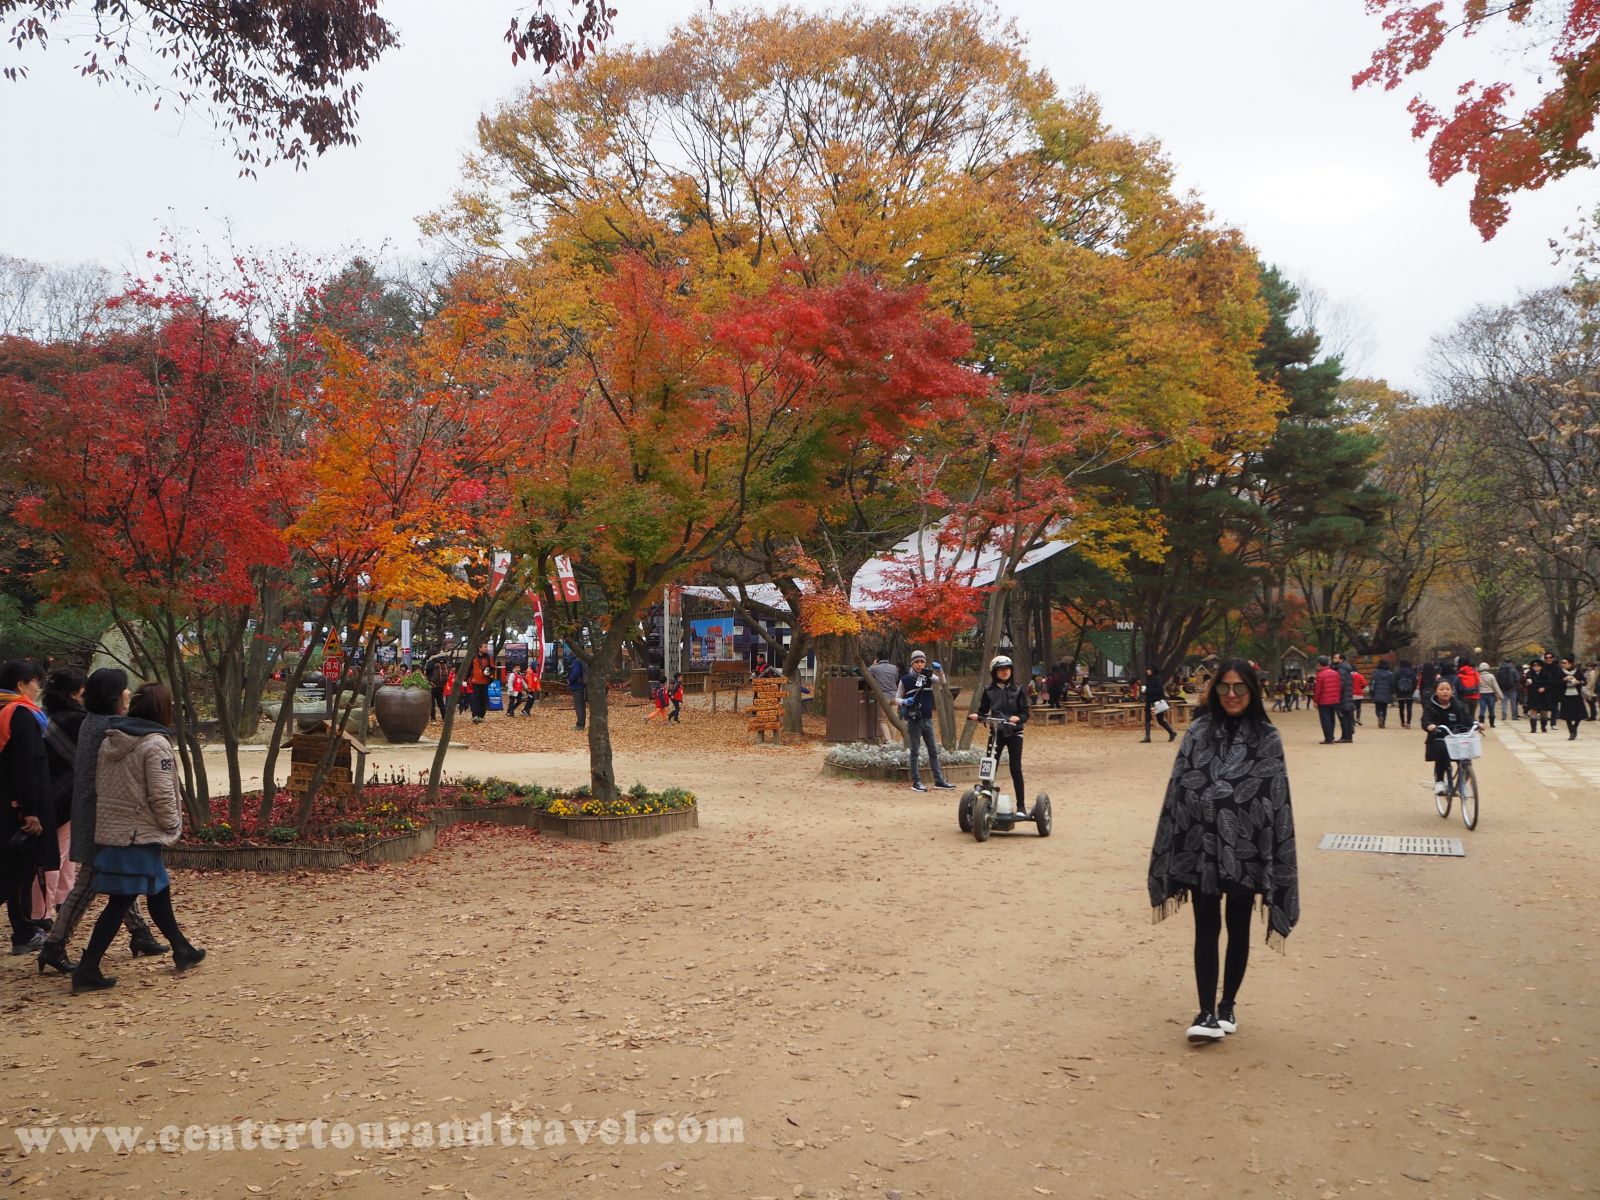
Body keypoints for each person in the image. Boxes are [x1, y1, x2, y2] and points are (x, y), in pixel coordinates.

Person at [1147, 659, 1300, 1044]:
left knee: (1238, 924)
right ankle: (1205, 1012)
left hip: (1247, 849)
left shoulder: (1268, 738)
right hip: (1202, 846)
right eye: (1224, 687)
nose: (1232, 695)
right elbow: (1179, 788)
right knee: (1205, 925)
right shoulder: (1198, 732)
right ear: (1215, 690)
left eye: (1240, 688)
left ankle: (1228, 1004)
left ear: (1252, 691)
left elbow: (1276, 800)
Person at [71, 683, 204, 993]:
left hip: (118, 832)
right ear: (162, 709)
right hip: (138, 835)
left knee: (158, 888)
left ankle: (181, 947)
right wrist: (172, 826)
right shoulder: (155, 743)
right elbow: (162, 794)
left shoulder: (113, 738)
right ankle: (87, 969)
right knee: (120, 901)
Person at [36, 668, 164, 976]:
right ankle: (54, 945)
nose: (128, 693)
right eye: (124, 689)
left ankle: (140, 933)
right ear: (112, 695)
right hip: (101, 815)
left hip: (93, 811)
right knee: (90, 882)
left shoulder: (90, 721)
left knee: (116, 876)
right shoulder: (107, 727)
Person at [1, 659, 57, 955]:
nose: (38, 687)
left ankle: (25, 930)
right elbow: (26, 766)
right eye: (36, 682)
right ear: (21, 684)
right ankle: (23, 932)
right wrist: (30, 809)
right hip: (17, 809)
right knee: (17, 872)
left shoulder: (4, 710)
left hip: (6, 803)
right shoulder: (20, 714)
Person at [35, 667, 88, 929]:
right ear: (75, 693)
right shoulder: (81, 721)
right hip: (70, 796)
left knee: (60, 853)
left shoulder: (42, 717)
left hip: (47, 793)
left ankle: (55, 904)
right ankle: (43, 911)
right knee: (59, 855)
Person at [968, 654, 1029, 803]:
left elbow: (1025, 712)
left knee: (1015, 768)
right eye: (1001, 669)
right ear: (994, 672)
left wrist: (1018, 718)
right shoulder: (988, 690)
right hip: (997, 733)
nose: (1005, 672)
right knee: (990, 765)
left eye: (1007, 669)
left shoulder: (1018, 689)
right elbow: (983, 711)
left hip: (1015, 732)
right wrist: (978, 716)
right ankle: (985, 798)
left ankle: (1021, 806)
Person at [900, 651, 954, 793]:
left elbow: (942, 682)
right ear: (912, 663)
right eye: (916, 662)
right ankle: (916, 781)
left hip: (927, 719)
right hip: (914, 720)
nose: (919, 664)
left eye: (922, 662)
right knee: (915, 751)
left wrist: (940, 671)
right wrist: (905, 701)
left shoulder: (928, 676)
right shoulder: (905, 680)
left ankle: (939, 780)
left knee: (933, 751)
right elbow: (896, 698)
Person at [1422, 680, 1475, 798]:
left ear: (1452, 691)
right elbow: (1425, 720)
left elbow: (1468, 718)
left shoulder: (1459, 705)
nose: (1445, 692)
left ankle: (1462, 784)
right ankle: (1440, 781)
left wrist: (1476, 724)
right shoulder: (1430, 706)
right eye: (1441, 689)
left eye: (1447, 689)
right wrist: (1429, 726)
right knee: (1441, 749)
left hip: (1456, 738)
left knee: (1466, 758)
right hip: (1438, 738)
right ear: (1436, 692)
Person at [866, 653, 902, 745]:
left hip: (883, 697)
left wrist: (873, 664)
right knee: (893, 719)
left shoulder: (875, 668)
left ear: (878, 659)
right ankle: (893, 741)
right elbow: (896, 679)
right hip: (894, 696)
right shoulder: (894, 668)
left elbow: (866, 673)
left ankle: (888, 741)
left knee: (882, 720)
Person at [1141, 666, 1176, 743]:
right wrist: (1144, 692)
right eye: (1147, 669)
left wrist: (1148, 691)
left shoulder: (1157, 679)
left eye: (1149, 670)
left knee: (1160, 720)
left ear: (1153, 671)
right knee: (1147, 719)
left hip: (1157, 702)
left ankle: (1172, 732)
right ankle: (1147, 737)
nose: (1148, 671)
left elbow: (1160, 691)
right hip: (1149, 701)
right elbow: (1147, 690)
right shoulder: (1147, 679)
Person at [1556, 656, 1588, 739]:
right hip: (1566, 696)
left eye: (1565, 663)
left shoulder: (1578, 671)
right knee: (1567, 715)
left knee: (1579, 715)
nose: (1562, 664)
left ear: (1570, 664)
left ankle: (1575, 727)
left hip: (1576, 696)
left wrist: (1578, 682)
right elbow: (1556, 683)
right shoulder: (1560, 672)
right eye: (1562, 663)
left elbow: (1584, 681)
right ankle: (1571, 732)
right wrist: (1564, 679)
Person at [1312, 655, 1341, 744]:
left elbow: (1318, 690)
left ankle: (1328, 738)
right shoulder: (1335, 673)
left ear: (1319, 664)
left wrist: (1315, 701)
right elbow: (1339, 686)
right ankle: (1331, 736)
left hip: (1324, 700)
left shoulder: (1320, 675)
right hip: (1334, 700)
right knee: (1332, 718)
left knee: (1325, 719)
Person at [1331, 653, 1356, 742]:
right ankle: (1348, 736)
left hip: (1342, 697)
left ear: (1341, 660)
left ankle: (1345, 737)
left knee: (1343, 718)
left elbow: (1341, 683)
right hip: (1347, 696)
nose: (1334, 659)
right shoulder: (1345, 668)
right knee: (1347, 717)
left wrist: (1335, 694)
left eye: (1336, 658)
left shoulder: (1341, 669)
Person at [468, 644, 495, 724]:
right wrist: (465, 679)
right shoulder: (473, 657)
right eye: (485, 647)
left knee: (483, 699)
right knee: (475, 699)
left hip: (484, 681)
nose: (486, 648)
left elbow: (493, 668)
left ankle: (481, 716)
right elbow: (469, 668)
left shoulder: (488, 657)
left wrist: (488, 672)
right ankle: (475, 715)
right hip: (475, 681)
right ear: (480, 648)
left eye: (487, 647)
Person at [1369, 659, 1395, 729]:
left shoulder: (1375, 673)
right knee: (1384, 709)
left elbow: (1372, 683)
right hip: (1386, 693)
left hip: (1377, 693)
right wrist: (1392, 692)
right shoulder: (1390, 674)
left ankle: (1379, 716)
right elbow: (1392, 685)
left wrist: (1371, 692)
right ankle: (1383, 723)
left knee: (1377, 708)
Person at [1475, 662, 1500, 729]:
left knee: (1482, 709)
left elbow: (1477, 686)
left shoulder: (1478, 676)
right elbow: (1496, 686)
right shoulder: (1491, 676)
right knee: (1491, 709)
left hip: (1481, 694)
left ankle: (1481, 723)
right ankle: (1492, 724)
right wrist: (1500, 695)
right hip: (1491, 694)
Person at [1394, 660, 1418, 729]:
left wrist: (1396, 691)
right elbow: (1415, 682)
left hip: (1400, 692)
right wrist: (1413, 690)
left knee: (1401, 708)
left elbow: (1395, 682)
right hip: (1409, 693)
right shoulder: (1412, 672)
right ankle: (1408, 723)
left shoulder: (1398, 672)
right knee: (1409, 708)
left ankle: (1402, 722)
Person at [1456, 657, 1481, 722]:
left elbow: (1457, 685)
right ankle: (1473, 725)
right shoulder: (1475, 672)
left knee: (1465, 715)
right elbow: (1478, 683)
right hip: (1475, 696)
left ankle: (1467, 727)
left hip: (1464, 697)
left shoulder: (1460, 672)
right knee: (1472, 715)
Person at [567, 654, 587, 730]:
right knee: (582, 705)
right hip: (584, 686)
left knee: (578, 706)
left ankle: (580, 725)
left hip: (577, 686)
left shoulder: (576, 662)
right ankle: (582, 723)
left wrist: (569, 680)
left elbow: (576, 673)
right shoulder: (583, 661)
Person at [426, 656, 449, 723]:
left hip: (432, 686)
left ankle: (433, 719)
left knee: (432, 704)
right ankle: (445, 717)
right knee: (441, 703)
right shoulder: (444, 663)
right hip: (441, 686)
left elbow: (427, 673)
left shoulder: (431, 663)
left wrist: (429, 681)